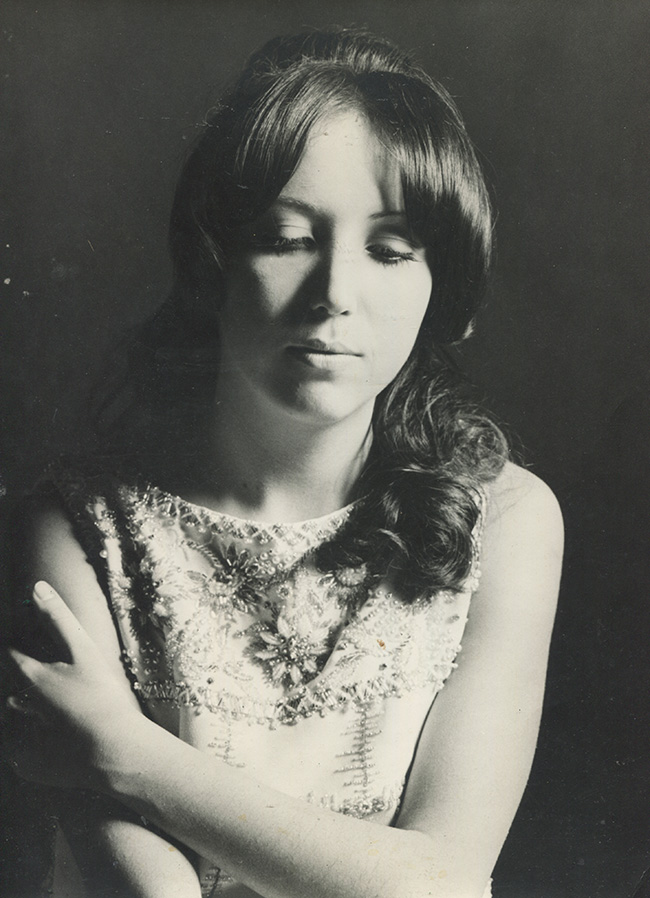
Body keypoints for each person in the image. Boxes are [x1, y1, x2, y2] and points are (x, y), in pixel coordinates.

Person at [2, 27, 563, 898]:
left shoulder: (510, 519)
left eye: (390, 250)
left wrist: (128, 754)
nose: (335, 293)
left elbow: (446, 884)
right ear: (211, 264)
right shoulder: (76, 528)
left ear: (438, 286)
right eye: (287, 238)